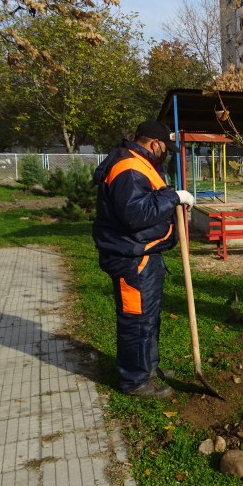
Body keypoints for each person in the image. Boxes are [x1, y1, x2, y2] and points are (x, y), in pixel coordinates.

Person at [92, 120, 195, 399]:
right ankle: (135, 381)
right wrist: (173, 197)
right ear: (154, 144)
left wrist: (168, 196)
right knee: (136, 320)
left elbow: (148, 199)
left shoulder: (139, 164)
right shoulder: (129, 168)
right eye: (166, 149)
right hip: (131, 257)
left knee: (148, 318)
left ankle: (148, 368)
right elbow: (136, 214)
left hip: (144, 254)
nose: (166, 155)